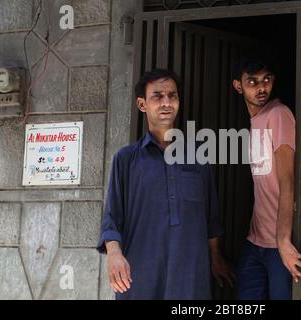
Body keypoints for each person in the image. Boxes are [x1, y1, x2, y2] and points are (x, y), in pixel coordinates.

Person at [97, 69, 234, 299]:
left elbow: (211, 217)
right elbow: (112, 216)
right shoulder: (126, 159)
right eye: (157, 96)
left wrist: (216, 259)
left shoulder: (199, 155)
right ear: (142, 104)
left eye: (172, 95)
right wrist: (113, 254)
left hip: (191, 277)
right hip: (140, 277)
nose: (166, 102)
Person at [232, 56, 301, 300]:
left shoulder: (278, 114)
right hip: (255, 241)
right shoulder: (256, 121)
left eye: (266, 80)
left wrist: (283, 240)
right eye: (252, 82)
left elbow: (288, 181)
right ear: (238, 86)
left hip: (278, 246)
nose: (261, 87)